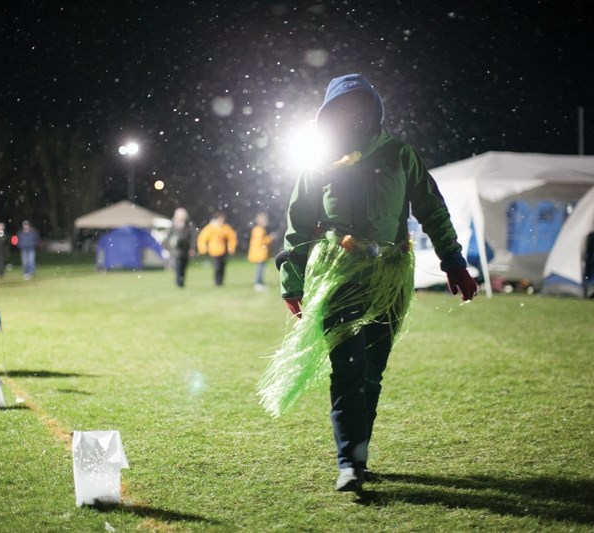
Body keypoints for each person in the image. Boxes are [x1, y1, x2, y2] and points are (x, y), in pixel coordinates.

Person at [259, 74, 477, 492]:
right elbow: (298, 224)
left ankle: (358, 454)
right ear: (328, 115)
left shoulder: (399, 154)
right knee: (348, 367)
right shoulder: (317, 163)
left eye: (360, 106)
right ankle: (349, 463)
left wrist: (454, 261)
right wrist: (292, 280)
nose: (352, 114)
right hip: (337, 275)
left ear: (374, 109)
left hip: (391, 276)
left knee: (372, 372)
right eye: (341, 108)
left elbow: (433, 209)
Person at [196, 212, 237, 286]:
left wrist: (231, 248)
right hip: (214, 251)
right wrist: (203, 249)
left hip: (223, 250)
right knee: (217, 267)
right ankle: (217, 282)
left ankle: (221, 281)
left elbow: (232, 237)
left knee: (222, 266)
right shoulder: (210, 228)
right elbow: (202, 238)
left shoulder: (225, 227)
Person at [163, 207, 198, 287]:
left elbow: (193, 237)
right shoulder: (173, 226)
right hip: (176, 251)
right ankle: (178, 282)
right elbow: (168, 237)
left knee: (184, 266)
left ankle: (181, 282)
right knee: (178, 266)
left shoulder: (189, 225)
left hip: (185, 250)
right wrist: (172, 243)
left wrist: (192, 248)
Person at [247, 212, 277, 291]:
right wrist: (270, 238)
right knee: (260, 269)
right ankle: (258, 283)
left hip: (260, 252)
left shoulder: (259, 229)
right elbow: (260, 242)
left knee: (261, 268)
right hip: (259, 253)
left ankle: (260, 282)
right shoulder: (259, 230)